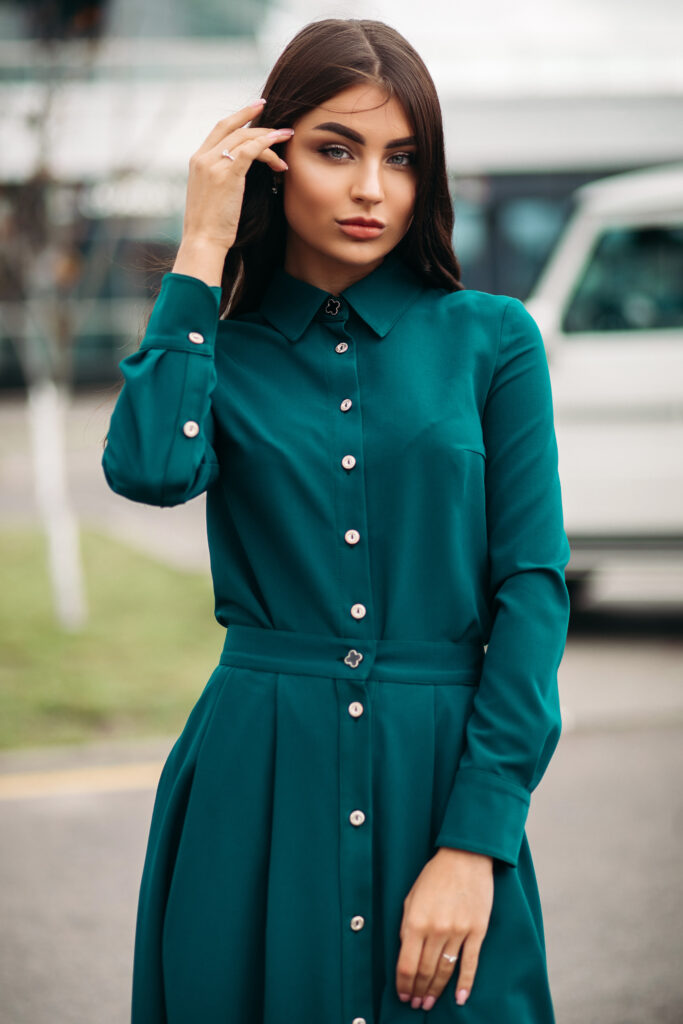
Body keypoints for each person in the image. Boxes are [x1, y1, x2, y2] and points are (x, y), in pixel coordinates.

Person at [102, 16, 571, 1024]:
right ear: (271, 162)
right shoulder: (215, 352)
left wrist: (474, 839)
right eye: (334, 149)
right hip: (253, 786)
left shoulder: (492, 341)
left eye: (402, 158)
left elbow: (529, 591)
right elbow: (147, 470)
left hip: (437, 771)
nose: (372, 189)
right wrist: (199, 243)